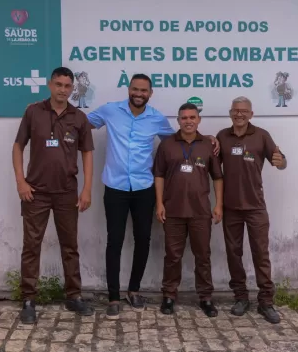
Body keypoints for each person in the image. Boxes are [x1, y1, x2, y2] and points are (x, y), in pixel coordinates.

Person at [86, 74, 219, 319]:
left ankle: (133, 290)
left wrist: (207, 138)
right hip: (115, 187)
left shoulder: (157, 118)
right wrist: (47, 111)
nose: (139, 93)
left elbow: (181, 139)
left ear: (150, 93)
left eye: (143, 90)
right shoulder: (109, 110)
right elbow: (80, 123)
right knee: (114, 242)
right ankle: (113, 296)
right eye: (135, 89)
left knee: (143, 240)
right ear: (129, 89)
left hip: (144, 188)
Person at [12, 67, 95, 324]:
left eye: (67, 85)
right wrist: (21, 182)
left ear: (73, 88)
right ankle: (28, 300)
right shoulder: (33, 112)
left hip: (66, 192)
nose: (62, 89)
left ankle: (74, 295)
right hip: (35, 192)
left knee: (70, 246)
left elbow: (87, 154)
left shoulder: (79, 118)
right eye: (58, 84)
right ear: (50, 85)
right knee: (31, 246)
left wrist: (86, 188)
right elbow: (18, 146)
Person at [216, 96, 287, 324]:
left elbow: (280, 160)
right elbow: (211, 162)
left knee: (260, 254)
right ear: (230, 113)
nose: (239, 114)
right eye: (235, 110)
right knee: (233, 254)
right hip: (230, 207)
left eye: (244, 111)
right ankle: (241, 297)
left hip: (256, 206)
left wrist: (281, 161)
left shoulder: (261, 135)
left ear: (251, 114)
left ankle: (266, 302)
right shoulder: (222, 136)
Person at [153, 102, 223, 317]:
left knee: (203, 256)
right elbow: (159, 175)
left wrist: (218, 204)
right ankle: (169, 296)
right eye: (184, 118)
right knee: (172, 256)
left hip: (200, 211)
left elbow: (218, 177)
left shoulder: (208, 146)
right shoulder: (167, 145)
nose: (188, 121)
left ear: (199, 120)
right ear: (178, 120)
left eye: (192, 117)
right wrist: (159, 203)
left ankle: (206, 298)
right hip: (172, 210)